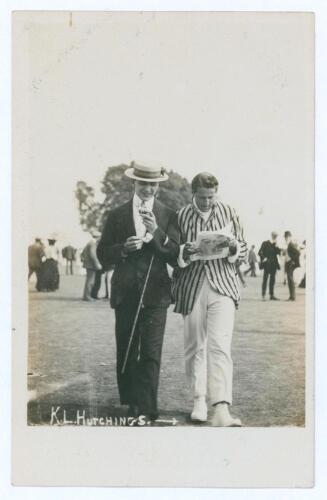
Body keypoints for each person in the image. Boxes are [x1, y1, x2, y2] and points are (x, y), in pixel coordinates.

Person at [97, 161, 179, 423]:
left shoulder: (168, 214)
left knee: (152, 351)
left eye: (153, 184)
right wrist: (123, 248)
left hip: (156, 294)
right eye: (143, 183)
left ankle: (147, 406)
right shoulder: (117, 215)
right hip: (126, 292)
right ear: (134, 183)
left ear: (158, 186)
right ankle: (132, 401)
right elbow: (102, 254)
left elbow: (176, 255)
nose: (148, 189)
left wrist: (156, 232)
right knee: (128, 347)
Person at [172, 172, 247, 426]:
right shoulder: (181, 215)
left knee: (220, 345)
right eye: (202, 197)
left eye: (211, 197)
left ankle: (222, 408)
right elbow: (174, 253)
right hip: (192, 286)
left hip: (223, 285)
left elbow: (244, 247)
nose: (207, 202)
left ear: (217, 193)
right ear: (193, 193)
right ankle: (198, 400)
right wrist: (185, 251)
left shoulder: (229, 212)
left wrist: (235, 247)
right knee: (195, 345)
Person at [258, 232, 281, 300]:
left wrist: (277, 246)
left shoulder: (275, 244)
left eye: (276, 236)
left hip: (274, 264)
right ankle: (263, 295)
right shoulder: (265, 243)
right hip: (267, 264)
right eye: (274, 236)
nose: (275, 237)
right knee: (265, 279)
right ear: (271, 236)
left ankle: (271, 295)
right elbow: (260, 252)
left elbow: (278, 253)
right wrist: (264, 258)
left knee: (272, 280)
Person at [81, 233, 102, 301]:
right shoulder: (93, 244)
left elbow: (83, 253)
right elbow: (93, 254)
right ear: (97, 237)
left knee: (89, 280)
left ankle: (86, 296)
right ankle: (87, 296)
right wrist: (97, 264)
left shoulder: (89, 243)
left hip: (88, 264)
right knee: (90, 281)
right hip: (91, 265)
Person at [284, 231, 300, 301]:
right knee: (289, 280)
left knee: (290, 280)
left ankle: (292, 297)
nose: (286, 238)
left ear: (290, 237)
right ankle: (291, 296)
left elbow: (298, 253)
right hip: (288, 263)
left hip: (290, 263)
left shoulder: (291, 244)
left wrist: (292, 259)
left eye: (287, 237)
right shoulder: (289, 245)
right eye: (285, 237)